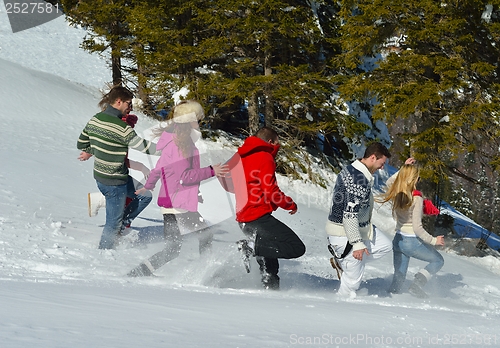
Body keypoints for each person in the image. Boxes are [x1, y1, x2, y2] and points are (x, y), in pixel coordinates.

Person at [127, 100, 228, 277]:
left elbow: (159, 169)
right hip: (178, 204)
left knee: (174, 248)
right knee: (205, 236)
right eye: (197, 120)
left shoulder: (172, 142)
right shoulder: (184, 146)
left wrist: (149, 186)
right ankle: (206, 274)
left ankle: (140, 272)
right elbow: (185, 176)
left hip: (172, 203)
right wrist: (212, 171)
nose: (199, 124)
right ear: (189, 121)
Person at [77, 86, 158, 250]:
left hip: (103, 177)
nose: (130, 107)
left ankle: (123, 223)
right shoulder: (122, 128)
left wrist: (94, 151)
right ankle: (104, 253)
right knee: (112, 223)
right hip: (114, 182)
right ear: (119, 101)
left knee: (145, 196)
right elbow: (142, 146)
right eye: (129, 103)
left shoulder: (95, 119)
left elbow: (82, 143)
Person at [232, 127, 306, 290]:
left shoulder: (241, 156)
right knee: (296, 247)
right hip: (257, 216)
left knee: (269, 265)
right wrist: (289, 204)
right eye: (278, 142)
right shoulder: (265, 157)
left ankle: (269, 295)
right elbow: (271, 191)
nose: (279, 146)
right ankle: (250, 247)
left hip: (244, 219)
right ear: (271, 142)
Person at [326, 142, 393, 297]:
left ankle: (345, 262)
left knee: (385, 245)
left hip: (360, 228)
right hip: (343, 234)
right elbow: (349, 214)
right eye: (381, 163)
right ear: (372, 157)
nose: (381, 168)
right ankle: (344, 300)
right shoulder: (359, 180)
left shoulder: (354, 169)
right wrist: (356, 243)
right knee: (353, 283)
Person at [377, 163, 445, 298]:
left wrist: (403, 168)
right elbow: (417, 228)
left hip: (398, 240)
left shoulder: (398, 192)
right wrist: (434, 240)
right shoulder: (416, 198)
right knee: (438, 261)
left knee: (399, 277)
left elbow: (390, 181)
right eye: (418, 178)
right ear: (414, 179)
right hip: (411, 241)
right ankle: (417, 285)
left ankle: (392, 297)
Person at [87, 112, 153, 234]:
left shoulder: (113, 133)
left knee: (130, 197)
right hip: (116, 176)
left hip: (111, 175)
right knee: (141, 196)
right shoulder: (121, 138)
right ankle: (119, 227)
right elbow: (124, 160)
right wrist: (142, 167)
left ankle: (120, 226)